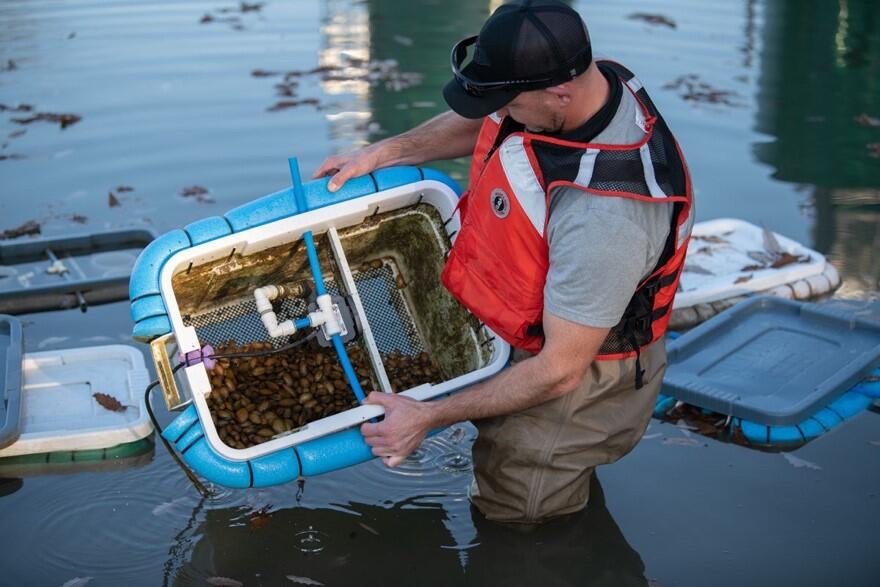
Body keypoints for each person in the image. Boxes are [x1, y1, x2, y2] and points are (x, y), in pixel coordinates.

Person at [314, 0, 694, 524]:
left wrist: (427, 416)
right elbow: (488, 120)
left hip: (577, 388)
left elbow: (560, 373)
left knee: (522, 525)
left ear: (558, 92)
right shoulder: (586, 80)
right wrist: (388, 152)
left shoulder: (607, 216)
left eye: (509, 102)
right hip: (554, 332)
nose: (500, 114)